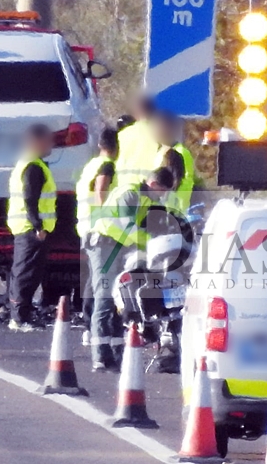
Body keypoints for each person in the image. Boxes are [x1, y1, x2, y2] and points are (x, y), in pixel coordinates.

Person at [86, 167, 174, 371]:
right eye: (163, 191)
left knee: (121, 299)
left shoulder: (150, 199)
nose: (164, 196)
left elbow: (154, 225)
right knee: (105, 297)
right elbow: (129, 229)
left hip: (120, 247)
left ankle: (116, 355)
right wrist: (152, 243)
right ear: (154, 185)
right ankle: (99, 356)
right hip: (103, 244)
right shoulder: (130, 194)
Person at [6, 124, 57, 332]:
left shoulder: (31, 163)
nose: (51, 144)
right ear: (36, 142)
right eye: (47, 140)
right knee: (26, 273)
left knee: (26, 271)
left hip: (27, 226)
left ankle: (21, 313)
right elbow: (30, 198)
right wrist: (38, 225)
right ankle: (19, 318)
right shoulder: (33, 167)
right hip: (30, 228)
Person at [75, 127, 119, 344]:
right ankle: (98, 334)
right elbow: (101, 191)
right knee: (102, 284)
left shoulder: (90, 165)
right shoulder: (107, 165)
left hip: (86, 227)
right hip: (100, 230)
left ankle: (88, 325)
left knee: (93, 281)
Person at [113, 96, 160, 188]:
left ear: (136, 113)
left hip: (122, 186)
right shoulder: (160, 135)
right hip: (148, 187)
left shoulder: (122, 134)